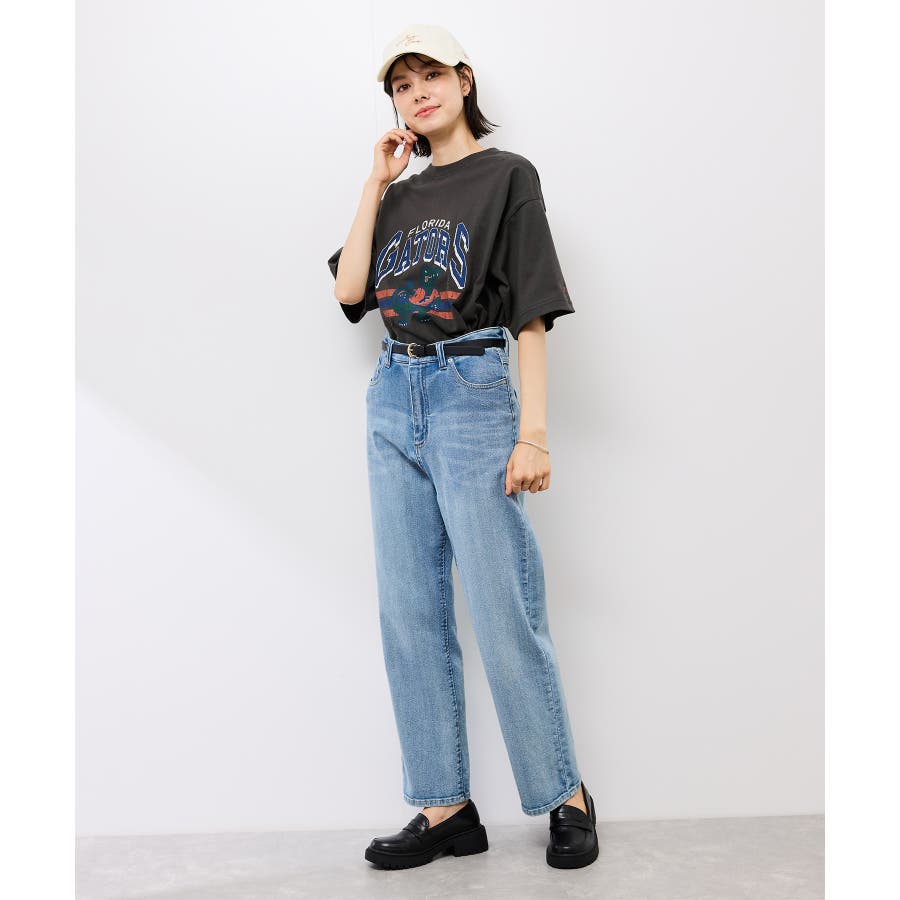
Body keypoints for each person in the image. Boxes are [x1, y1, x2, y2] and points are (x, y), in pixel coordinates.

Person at [328, 24, 599, 871]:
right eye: (401, 85)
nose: (418, 93)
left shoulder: (507, 176)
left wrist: (534, 433)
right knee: (409, 610)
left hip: (472, 392)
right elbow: (350, 289)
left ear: (464, 80)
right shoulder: (397, 196)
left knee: (501, 602)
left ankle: (564, 794)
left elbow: (532, 312)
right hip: (391, 394)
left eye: (431, 76)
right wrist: (376, 183)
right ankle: (445, 807)